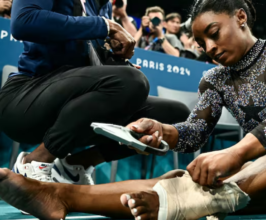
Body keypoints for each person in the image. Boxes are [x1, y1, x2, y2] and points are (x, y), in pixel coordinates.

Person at [0, 0, 266, 219]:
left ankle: (189, 203)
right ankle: (58, 194)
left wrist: (238, 152)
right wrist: (164, 131)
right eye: (201, 43)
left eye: (214, 33)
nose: (210, 48)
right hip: (260, 184)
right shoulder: (215, 79)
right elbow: (194, 132)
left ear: (240, 16)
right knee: (178, 179)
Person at [0, 0, 190, 185]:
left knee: (174, 115)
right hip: (26, 98)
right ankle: (35, 161)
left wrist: (113, 62)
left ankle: (75, 166)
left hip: (73, 108)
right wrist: (105, 25)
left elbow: (82, 59)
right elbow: (23, 21)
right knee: (131, 81)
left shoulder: (101, 5)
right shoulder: (103, 16)